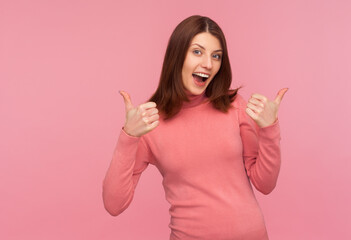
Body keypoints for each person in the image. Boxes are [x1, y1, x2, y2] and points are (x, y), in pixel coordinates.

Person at [102, 15, 288, 240]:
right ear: (177, 55)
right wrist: (128, 137)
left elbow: (265, 184)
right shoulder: (150, 122)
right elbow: (114, 205)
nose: (208, 64)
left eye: (216, 56)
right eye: (197, 52)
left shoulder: (234, 106)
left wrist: (269, 130)